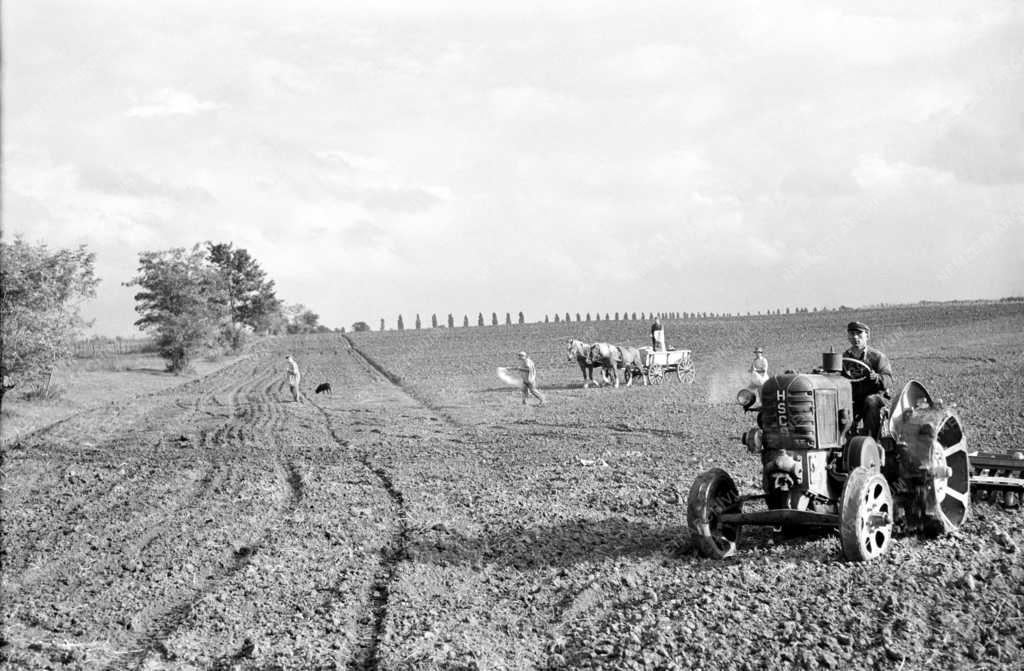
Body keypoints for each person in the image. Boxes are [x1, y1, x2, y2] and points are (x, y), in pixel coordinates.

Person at [842, 321, 894, 440]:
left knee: (871, 401)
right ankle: (842, 440)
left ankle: (871, 440)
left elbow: (888, 379)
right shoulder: (844, 358)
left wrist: (877, 378)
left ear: (867, 336)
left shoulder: (877, 357)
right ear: (848, 336)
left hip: (873, 396)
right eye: (852, 334)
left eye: (859, 334)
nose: (855, 337)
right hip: (852, 398)